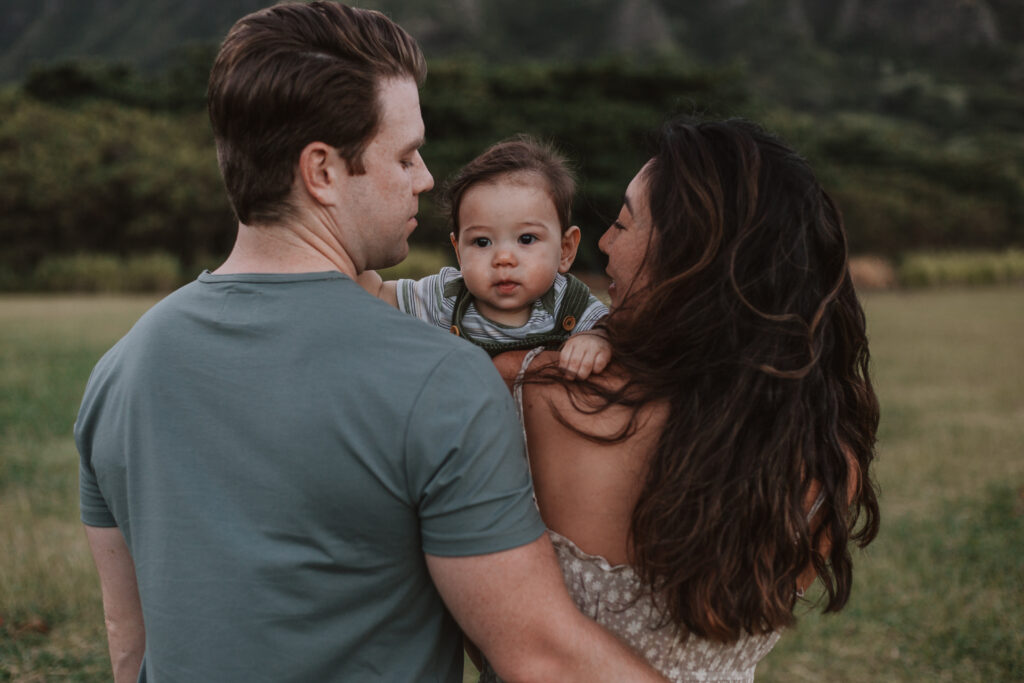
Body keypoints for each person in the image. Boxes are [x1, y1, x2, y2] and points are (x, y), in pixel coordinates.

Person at [74, 3, 670, 682]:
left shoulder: (118, 372)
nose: (424, 178)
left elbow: (130, 640)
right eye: (406, 154)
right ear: (322, 171)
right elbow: (540, 653)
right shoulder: (441, 380)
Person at [486, 118, 881, 682]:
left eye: (623, 223)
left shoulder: (537, 393)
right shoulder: (829, 463)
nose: (604, 243)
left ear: (687, 255)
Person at [359, 136, 612, 379]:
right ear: (459, 252)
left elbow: (619, 331)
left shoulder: (571, 305)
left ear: (565, 250)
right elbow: (376, 292)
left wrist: (597, 339)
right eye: (482, 242)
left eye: (526, 239)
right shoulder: (445, 297)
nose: (503, 258)